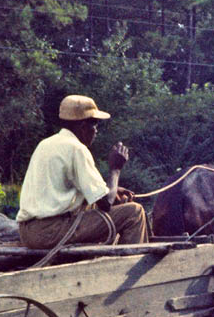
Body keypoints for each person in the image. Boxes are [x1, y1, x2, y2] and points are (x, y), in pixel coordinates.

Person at [17, 95, 149, 248]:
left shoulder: (46, 144)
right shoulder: (77, 149)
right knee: (134, 212)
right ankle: (127, 267)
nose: (96, 131)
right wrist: (115, 169)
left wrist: (113, 190)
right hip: (50, 232)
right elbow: (106, 203)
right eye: (95, 125)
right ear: (83, 126)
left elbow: (68, 193)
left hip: (28, 232)